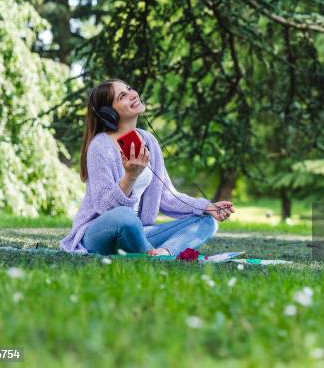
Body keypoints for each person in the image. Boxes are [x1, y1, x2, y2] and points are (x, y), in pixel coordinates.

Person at [60, 79, 234, 256]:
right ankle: (148, 252)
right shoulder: (100, 146)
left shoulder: (148, 140)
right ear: (109, 113)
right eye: (123, 96)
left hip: (139, 232)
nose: (133, 94)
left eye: (129, 89)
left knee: (208, 222)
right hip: (100, 233)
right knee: (125, 216)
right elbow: (104, 206)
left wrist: (207, 206)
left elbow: (167, 197)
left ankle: (164, 253)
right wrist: (130, 177)